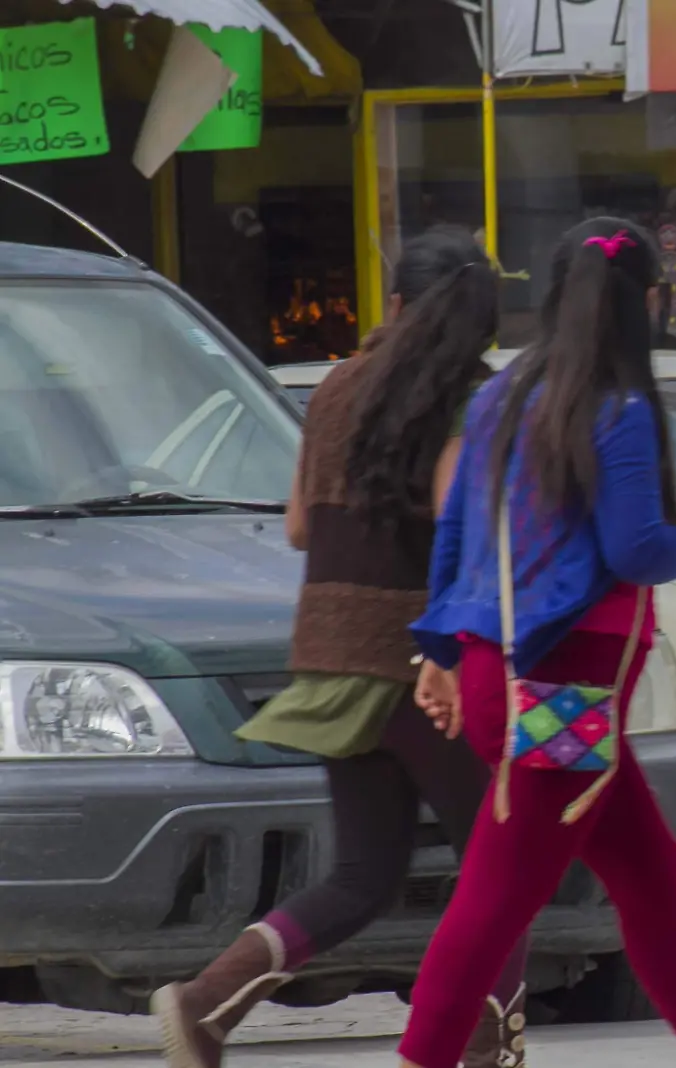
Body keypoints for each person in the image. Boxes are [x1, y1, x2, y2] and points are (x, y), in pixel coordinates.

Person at [398, 217, 676, 1068]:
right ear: (650, 301)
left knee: (647, 873)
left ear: (555, 294)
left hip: (512, 673)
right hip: (565, 689)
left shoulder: (500, 395)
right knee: (497, 900)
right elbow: (635, 551)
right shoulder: (619, 408)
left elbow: (454, 531)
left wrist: (441, 650)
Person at [151, 226, 535, 1068]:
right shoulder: (476, 399)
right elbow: (470, 538)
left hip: (328, 655)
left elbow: (297, 528)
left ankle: (204, 1003)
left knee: (364, 874)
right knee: (500, 866)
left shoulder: (333, 389)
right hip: (429, 659)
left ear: (393, 306)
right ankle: (484, 1040)